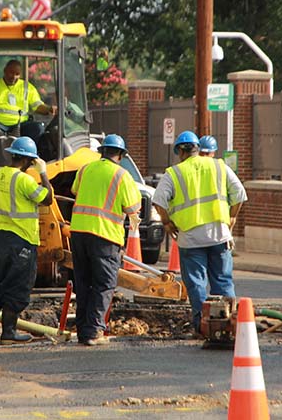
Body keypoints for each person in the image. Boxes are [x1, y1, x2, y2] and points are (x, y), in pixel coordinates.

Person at [152, 130, 247, 333]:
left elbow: (159, 200)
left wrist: (167, 223)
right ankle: (228, 324)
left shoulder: (174, 173)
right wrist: (232, 217)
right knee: (222, 280)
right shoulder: (218, 166)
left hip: (190, 238)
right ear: (197, 148)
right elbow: (239, 193)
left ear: (180, 152)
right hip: (219, 235)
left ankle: (202, 325)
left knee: (196, 284)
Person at [70, 134, 141, 346]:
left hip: (79, 233)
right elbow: (133, 208)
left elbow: (75, 191)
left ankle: (84, 330)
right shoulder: (122, 175)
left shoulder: (85, 169)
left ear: (102, 152)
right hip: (105, 236)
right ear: (120, 154)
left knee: (83, 283)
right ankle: (94, 331)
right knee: (104, 284)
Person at [0, 136, 53, 345]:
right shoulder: (24, 180)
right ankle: (8, 333)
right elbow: (47, 198)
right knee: (16, 287)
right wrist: (43, 172)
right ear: (28, 160)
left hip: (0, 238)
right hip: (21, 240)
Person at [0, 59, 55, 163]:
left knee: (38, 128)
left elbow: (38, 106)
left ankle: (29, 159)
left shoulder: (27, 87)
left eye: (17, 74)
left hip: (21, 125)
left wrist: (49, 109)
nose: (13, 76)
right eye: (11, 72)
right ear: (5, 71)